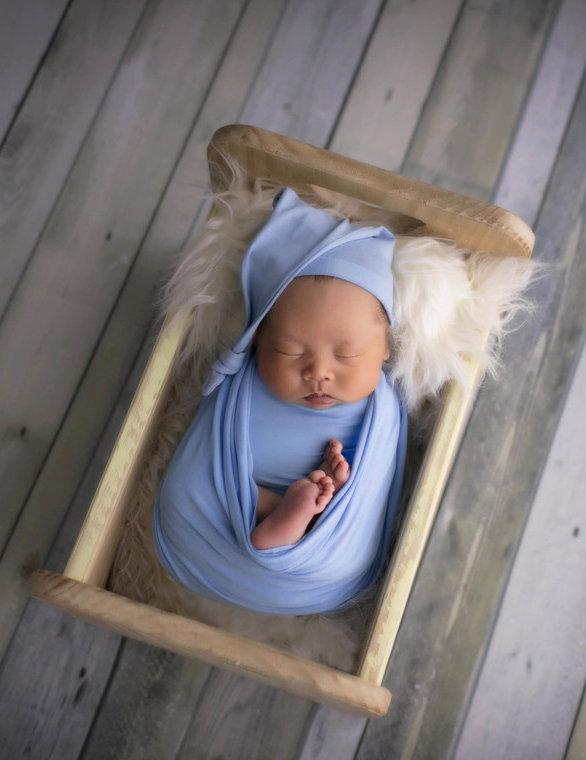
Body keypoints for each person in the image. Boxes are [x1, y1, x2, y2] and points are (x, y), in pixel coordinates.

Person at [153, 188, 407, 615]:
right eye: (290, 352)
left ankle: (300, 515)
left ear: (385, 349)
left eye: (345, 356)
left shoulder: (380, 409)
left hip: (313, 562)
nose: (319, 372)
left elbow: (377, 478)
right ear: (257, 342)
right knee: (187, 491)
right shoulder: (249, 376)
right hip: (206, 525)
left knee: (345, 552)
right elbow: (213, 431)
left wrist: (342, 496)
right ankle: (289, 510)